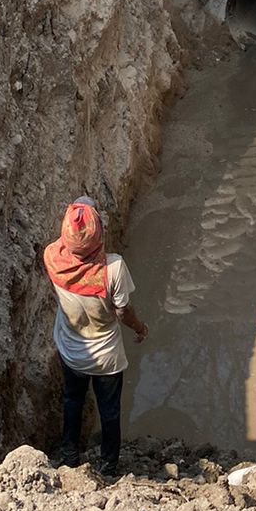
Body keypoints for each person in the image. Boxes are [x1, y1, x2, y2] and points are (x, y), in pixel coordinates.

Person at [43, 196, 148, 476]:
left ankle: (69, 457)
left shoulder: (52, 257)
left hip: (71, 348)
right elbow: (124, 312)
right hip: (105, 356)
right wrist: (140, 328)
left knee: (72, 401)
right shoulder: (113, 268)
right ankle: (109, 466)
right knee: (109, 411)